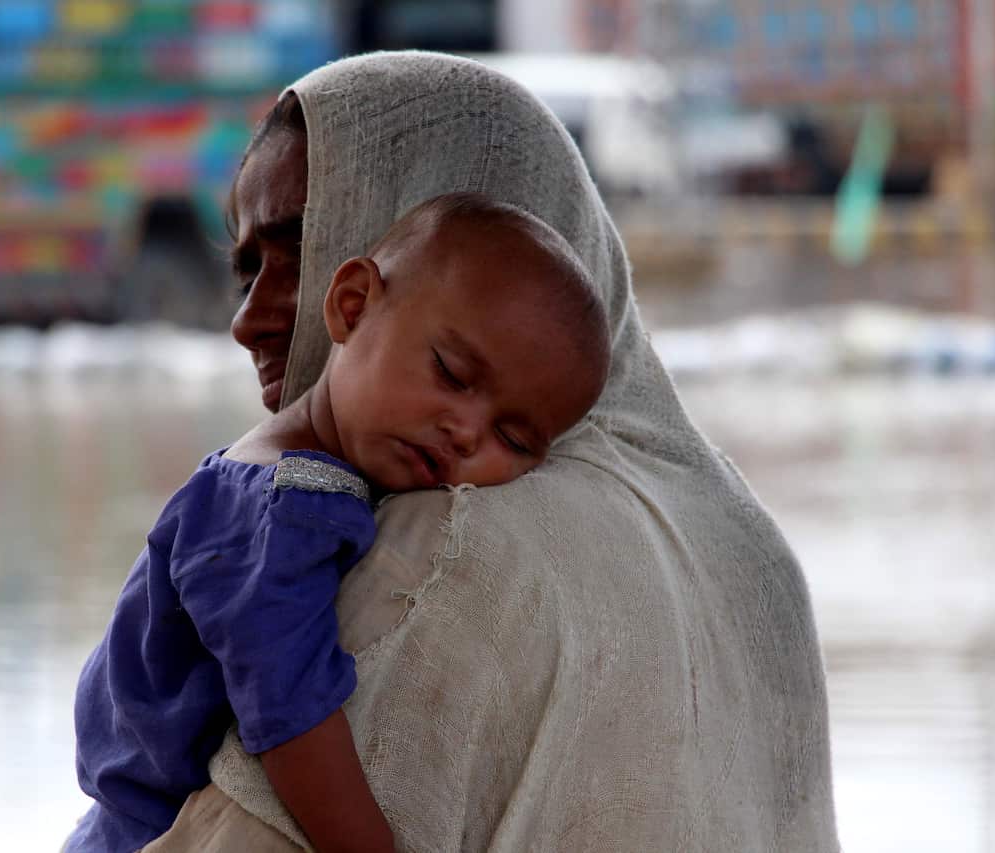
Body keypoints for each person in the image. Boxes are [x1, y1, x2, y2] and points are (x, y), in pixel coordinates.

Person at [141, 51, 841, 852]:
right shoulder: (749, 546)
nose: (249, 319)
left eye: (300, 247)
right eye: (245, 271)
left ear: (364, 281)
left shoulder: (453, 544)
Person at [67, 193, 610, 853]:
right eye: (452, 373)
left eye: (514, 437)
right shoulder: (280, 506)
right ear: (352, 305)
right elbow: (291, 716)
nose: (466, 430)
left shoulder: (302, 479)